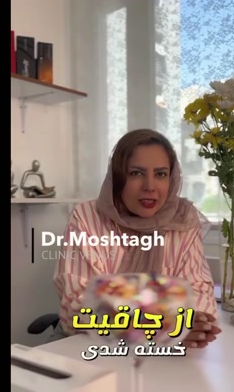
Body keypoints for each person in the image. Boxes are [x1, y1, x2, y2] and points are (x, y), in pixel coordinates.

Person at [52, 129, 222, 349]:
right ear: (118, 177)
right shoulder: (86, 217)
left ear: (171, 178)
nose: (149, 186)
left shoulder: (183, 219)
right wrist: (162, 324)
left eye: (160, 174)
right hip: (86, 346)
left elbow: (199, 289)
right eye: (136, 173)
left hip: (164, 356)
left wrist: (189, 324)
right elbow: (79, 301)